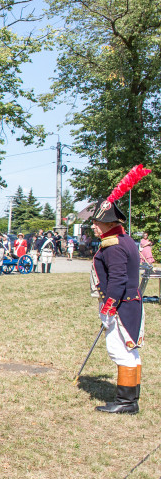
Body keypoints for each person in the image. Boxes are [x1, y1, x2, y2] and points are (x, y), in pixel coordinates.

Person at [87, 165, 150, 414]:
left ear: (108, 223)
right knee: (130, 351)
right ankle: (131, 399)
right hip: (130, 302)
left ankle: (125, 403)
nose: (93, 226)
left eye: (97, 222)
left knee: (120, 350)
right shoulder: (124, 239)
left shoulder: (113, 245)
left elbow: (117, 280)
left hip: (121, 304)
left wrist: (108, 308)